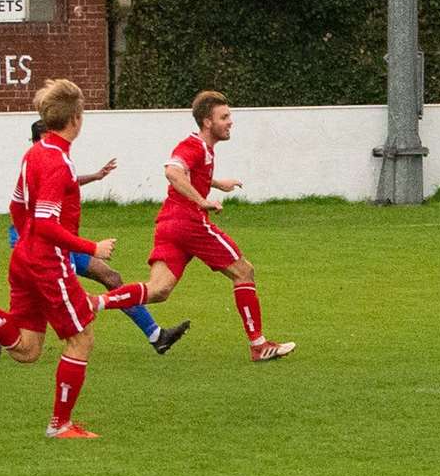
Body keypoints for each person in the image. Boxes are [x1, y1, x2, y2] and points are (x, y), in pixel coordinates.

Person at [0, 79, 119, 438]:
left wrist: (26, 242)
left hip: (25, 257)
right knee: (81, 339)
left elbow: (17, 206)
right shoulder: (58, 163)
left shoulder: (34, 153)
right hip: (48, 263)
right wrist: (89, 248)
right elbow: (48, 223)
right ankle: (59, 424)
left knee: (27, 350)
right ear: (75, 119)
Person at [89, 90, 296, 363]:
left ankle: (94, 302)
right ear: (207, 122)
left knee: (159, 289)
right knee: (244, 272)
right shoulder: (194, 145)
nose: (230, 121)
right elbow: (172, 171)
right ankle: (258, 344)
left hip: (168, 224)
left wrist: (216, 183)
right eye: (224, 117)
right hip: (190, 224)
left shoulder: (203, 150)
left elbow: (191, 172)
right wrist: (202, 200)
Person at [0, 119, 189, 357]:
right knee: (52, 297)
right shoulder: (35, 160)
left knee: (111, 277)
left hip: (63, 241)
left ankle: (156, 335)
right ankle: (2, 325)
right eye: (47, 136)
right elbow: (25, 210)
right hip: (39, 245)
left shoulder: (56, 158)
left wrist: (95, 177)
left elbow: (67, 183)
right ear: (37, 139)